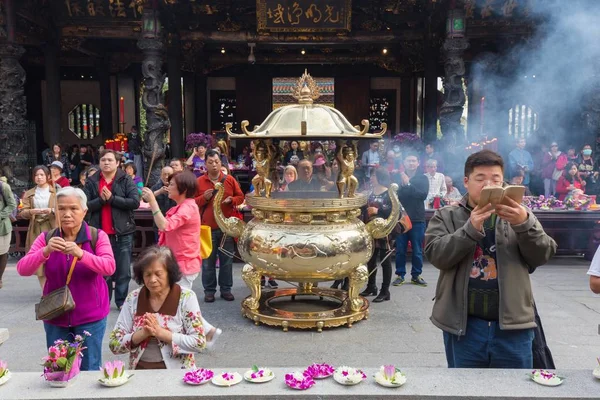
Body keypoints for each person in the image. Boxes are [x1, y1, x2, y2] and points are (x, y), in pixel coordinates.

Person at [425, 149, 556, 369]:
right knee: (466, 390)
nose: (488, 185)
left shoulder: (519, 214)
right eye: (480, 178)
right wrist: (470, 229)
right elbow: (436, 255)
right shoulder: (448, 215)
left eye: (495, 179)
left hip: (513, 327)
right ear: (466, 182)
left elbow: (543, 254)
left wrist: (524, 224)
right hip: (465, 327)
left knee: (515, 391)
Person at [17, 187, 116, 371]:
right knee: (59, 371)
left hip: (90, 317)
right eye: (61, 209)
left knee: (90, 369)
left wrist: (82, 254)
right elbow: (23, 268)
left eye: (73, 208)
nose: (67, 214)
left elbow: (109, 267)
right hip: (56, 315)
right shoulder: (46, 238)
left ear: (84, 211)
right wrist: (45, 251)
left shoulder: (96, 236)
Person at [141, 171, 222, 347]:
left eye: (171, 185)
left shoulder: (188, 207)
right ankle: (207, 332)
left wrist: (153, 201)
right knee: (180, 302)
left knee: (178, 302)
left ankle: (196, 336)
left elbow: (165, 225)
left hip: (184, 265)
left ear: (183, 189)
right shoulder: (182, 206)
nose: (168, 187)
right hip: (178, 263)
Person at [109, 246, 206, 369]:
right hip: (140, 372)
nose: (152, 280)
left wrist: (162, 333)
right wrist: (142, 334)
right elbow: (114, 344)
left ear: (169, 274)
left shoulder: (186, 297)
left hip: (178, 374)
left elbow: (199, 342)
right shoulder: (133, 298)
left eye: (158, 274)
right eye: (147, 275)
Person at [84, 149, 140, 310]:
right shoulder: (92, 181)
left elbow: (134, 202)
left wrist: (112, 199)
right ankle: (104, 300)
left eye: (110, 160)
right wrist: (101, 201)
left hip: (123, 230)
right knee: (102, 269)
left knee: (123, 269)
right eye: (103, 160)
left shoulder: (125, 180)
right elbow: (85, 205)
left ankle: (121, 301)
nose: (106, 163)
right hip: (100, 232)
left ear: (117, 163)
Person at [194, 150, 244, 303]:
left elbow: (241, 196)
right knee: (208, 262)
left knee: (226, 261)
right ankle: (209, 291)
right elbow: (192, 202)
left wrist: (232, 200)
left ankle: (226, 289)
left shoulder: (229, 180)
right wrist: (204, 197)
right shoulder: (199, 182)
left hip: (225, 227)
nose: (214, 165)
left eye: (216, 162)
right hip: (207, 228)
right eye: (210, 162)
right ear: (205, 165)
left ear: (221, 163)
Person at [392, 153, 428, 287]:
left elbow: (422, 195)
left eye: (414, 161)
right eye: (408, 161)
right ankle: (400, 275)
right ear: (404, 163)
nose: (411, 163)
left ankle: (416, 275)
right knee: (400, 249)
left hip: (417, 219)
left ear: (418, 163)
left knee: (417, 249)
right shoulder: (397, 177)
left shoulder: (423, 178)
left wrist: (408, 184)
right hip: (401, 218)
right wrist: (406, 187)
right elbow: (396, 195)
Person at [19, 166, 57, 289]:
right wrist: (31, 211)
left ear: (48, 176)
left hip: (51, 227)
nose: (39, 177)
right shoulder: (29, 194)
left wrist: (51, 210)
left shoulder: (55, 192)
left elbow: (62, 209)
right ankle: (45, 291)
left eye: (42, 175)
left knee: (55, 258)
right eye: (36, 175)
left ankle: (56, 287)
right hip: (36, 228)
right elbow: (22, 212)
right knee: (39, 259)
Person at [360, 168, 394, 303]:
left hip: (384, 231)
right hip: (370, 230)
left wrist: (378, 210)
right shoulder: (371, 193)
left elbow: (395, 210)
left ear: (380, 176)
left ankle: (385, 291)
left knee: (385, 260)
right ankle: (371, 286)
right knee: (371, 259)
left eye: (373, 175)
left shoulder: (389, 193)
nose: (371, 177)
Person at [0, 178, 16, 289]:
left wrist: (1, 215)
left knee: (2, 252)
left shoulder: (3, 187)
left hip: (2, 227)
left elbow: (11, 204)